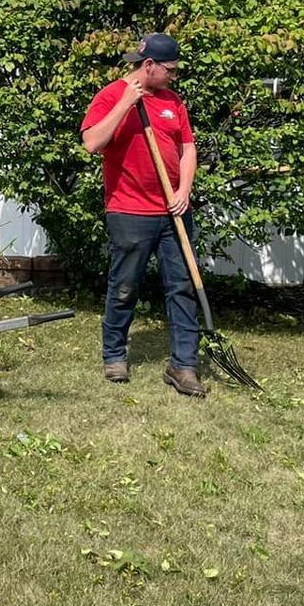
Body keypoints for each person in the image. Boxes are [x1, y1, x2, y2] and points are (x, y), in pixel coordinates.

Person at [80, 32, 205, 398]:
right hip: (129, 209)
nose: (174, 76)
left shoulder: (172, 101)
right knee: (125, 285)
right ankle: (114, 355)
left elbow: (188, 148)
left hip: (174, 212)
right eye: (170, 70)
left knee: (182, 287)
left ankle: (183, 366)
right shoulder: (109, 96)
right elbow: (92, 143)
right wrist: (126, 103)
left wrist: (184, 190)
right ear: (148, 65)